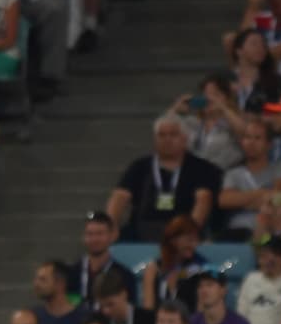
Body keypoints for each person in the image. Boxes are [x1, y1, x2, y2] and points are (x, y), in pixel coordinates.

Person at [105, 113, 222, 243]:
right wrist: (110, 226)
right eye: (161, 135)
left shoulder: (203, 168)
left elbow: (203, 201)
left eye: (173, 135)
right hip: (142, 228)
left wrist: (189, 232)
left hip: (183, 227)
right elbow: (120, 196)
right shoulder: (140, 166)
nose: (167, 140)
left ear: (185, 139)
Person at [139, 214, 211, 313]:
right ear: (173, 239)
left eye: (196, 240)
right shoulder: (153, 269)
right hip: (159, 321)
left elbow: (201, 314)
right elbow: (148, 310)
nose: (194, 245)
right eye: (189, 240)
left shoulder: (199, 268)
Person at [236, 235, 281, 324]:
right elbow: (241, 313)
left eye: (273, 257)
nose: (268, 261)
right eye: (264, 257)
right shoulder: (251, 279)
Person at [69, 212, 135, 307]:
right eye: (90, 234)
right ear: (83, 237)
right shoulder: (72, 274)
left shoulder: (124, 276)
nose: (94, 239)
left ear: (112, 236)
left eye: (100, 234)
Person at [32, 260, 81, 324]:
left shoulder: (83, 318)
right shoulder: (32, 317)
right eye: (36, 279)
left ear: (60, 284)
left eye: (42, 279)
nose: (36, 284)